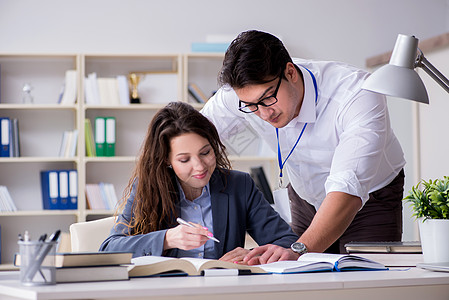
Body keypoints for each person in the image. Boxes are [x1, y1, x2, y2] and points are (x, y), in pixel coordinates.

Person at [201, 30, 406, 264]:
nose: (264, 113)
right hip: (304, 196)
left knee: (365, 283)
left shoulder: (357, 93)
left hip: (370, 199)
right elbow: (192, 135)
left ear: (290, 72)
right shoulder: (239, 95)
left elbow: (348, 187)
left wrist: (299, 248)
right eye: (251, 106)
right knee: (300, 277)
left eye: (268, 98)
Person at [99, 101, 298, 260]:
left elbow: (287, 241)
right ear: (167, 160)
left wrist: (253, 255)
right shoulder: (149, 187)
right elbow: (109, 248)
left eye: (205, 152)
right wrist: (167, 239)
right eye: (184, 159)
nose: (200, 166)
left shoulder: (240, 185)